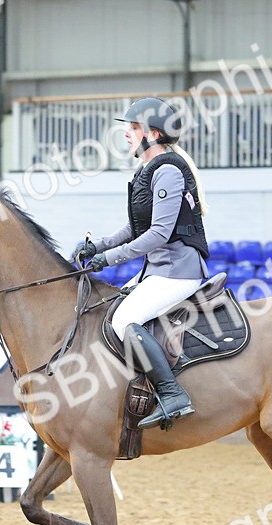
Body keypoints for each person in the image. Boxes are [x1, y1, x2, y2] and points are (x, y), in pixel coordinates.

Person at [71, 97, 211, 430]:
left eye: (133, 128)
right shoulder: (146, 171)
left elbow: (159, 234)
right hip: (158, 270)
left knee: (125, 320)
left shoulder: (168, 171)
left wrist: (109, 259)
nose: (126, 134)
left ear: (154, 133)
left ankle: (172, 394)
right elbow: (135, 228)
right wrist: (98, 246)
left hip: (178, 271)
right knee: (108, 310)